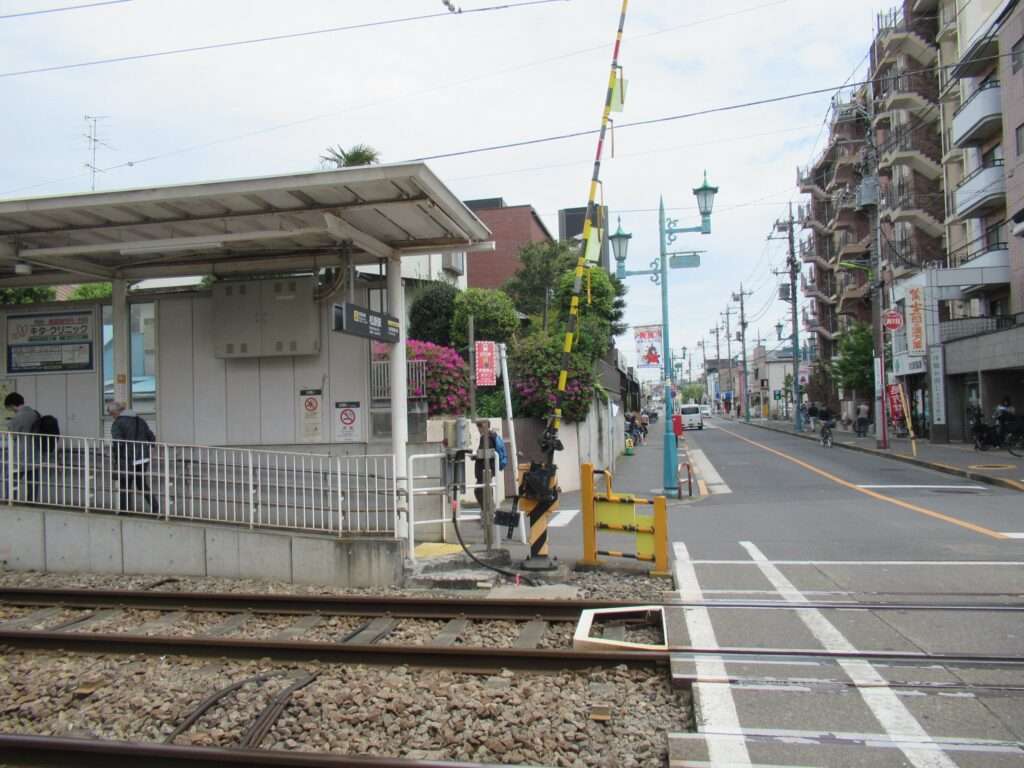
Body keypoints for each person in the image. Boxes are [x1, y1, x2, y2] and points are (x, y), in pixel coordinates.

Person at [109, 401, 159, 513]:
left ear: (115, 412)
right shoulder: (140, 420)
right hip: (142, 458)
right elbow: (151, 438)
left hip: (127, 458)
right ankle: (155, 508)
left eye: (111, 414)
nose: (112, 417)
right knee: (141, 484)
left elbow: (118, 442)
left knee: (124, 484)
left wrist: (115, 457)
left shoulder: (118, 423)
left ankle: (124, 511)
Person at [5, 392, 41, 501]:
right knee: (33, 479)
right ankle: (32, 500)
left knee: (13, 477)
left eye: (10, 408)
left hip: (21, 452)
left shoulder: (18, 417)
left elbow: (13, 435)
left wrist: (10, 423)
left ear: (12, 405)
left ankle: (11, 499)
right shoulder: (35, 413)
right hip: (35, 452)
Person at [473, 419, 506, 508]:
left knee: (480, 491)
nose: (478, 430)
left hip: (485, 469)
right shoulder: (492, 435)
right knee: (485, 489)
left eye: (478, 428)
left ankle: (488, 512)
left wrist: (474, 456)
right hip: (488, 469)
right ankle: (488, 512)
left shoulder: (486, 437)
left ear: (483, 427)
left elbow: (484, 453)